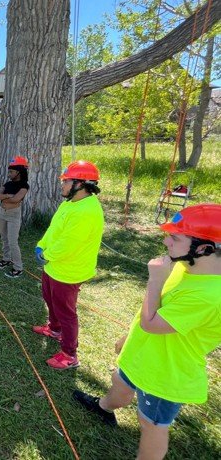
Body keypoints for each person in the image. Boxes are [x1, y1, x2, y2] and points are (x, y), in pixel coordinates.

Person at [72, 204, 221, 460]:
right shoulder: (186, 268)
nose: (166, 241)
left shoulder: (209, 296)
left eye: (175, 237)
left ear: (204, 248)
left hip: (164, 374)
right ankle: (104, 407)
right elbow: (154, 310)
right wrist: (128, 339)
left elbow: (151, 323)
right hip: (142, 354)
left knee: (150, 424)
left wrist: (155, 280)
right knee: (120, 383)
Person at [32, 160, 104, 370]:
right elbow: (55, 229)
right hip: (54, 266)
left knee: (66, 312)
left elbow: (69, 243)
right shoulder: (70, 203)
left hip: (69, 270)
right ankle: (54, 330)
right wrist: (41, 245)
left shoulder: (86, 211)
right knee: (49, 298)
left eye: (66, 181)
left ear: (80, 184)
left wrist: (48, 254)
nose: (62, 185)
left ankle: (69, 354)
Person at [0, 156, 30, 278]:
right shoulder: (8, 183)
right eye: (8, 171)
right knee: (4, 238)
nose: (9, 174)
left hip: (13, 215)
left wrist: (6, 196)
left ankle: (18, 267)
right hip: (1, 213)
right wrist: (9, 195)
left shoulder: (24, 186)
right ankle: (6, 258)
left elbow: (16, 200)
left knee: (13, 241)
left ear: (19, 172)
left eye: (11, 172)